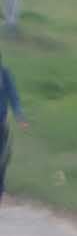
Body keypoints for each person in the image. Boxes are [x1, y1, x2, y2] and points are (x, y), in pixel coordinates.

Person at [0, 52, 27, 206]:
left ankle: (1, 190)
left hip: (1, 124)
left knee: (3, 159)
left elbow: (14, 96)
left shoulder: (4, 74)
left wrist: (20, 116)